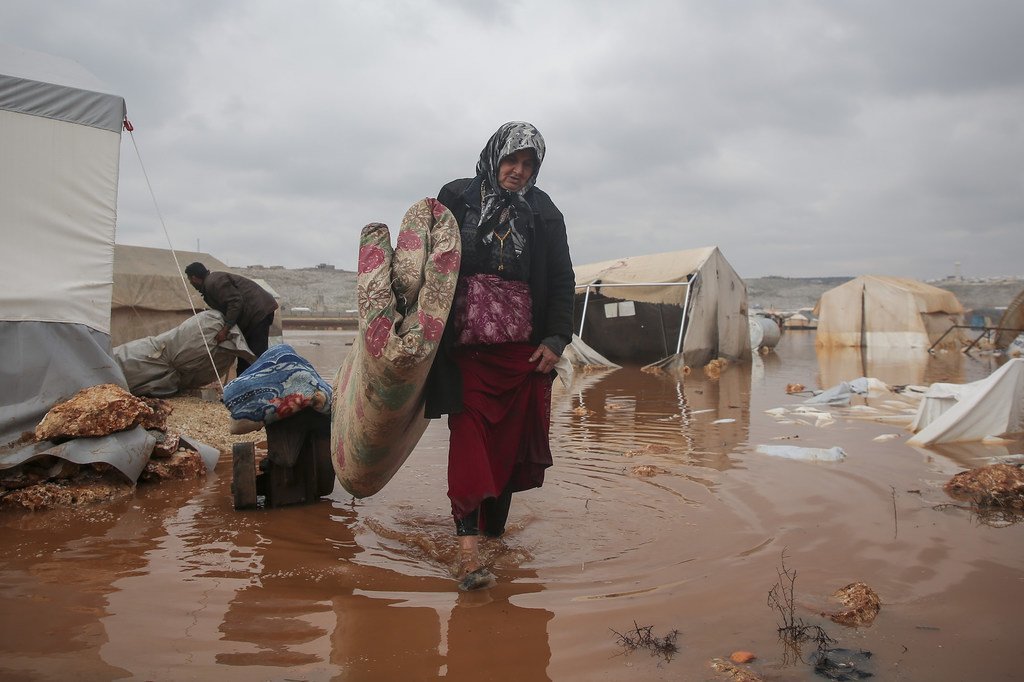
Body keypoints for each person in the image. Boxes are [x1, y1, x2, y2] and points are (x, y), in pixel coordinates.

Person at [426, 121, 575, 591]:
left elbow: (560, 278)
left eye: (529, 164)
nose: (518, 171)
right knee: (469, 437)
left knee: (508, 451)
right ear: (494, 157)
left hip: (521, 354)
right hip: (464, 350)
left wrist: (555, 340)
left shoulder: (544, 212)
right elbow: (427, 261)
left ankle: (493, 537)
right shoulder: (456, 196)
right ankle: (468, 550)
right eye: (512, 160)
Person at [184, 262, 279, 375]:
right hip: (252, 315)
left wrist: (225, 329)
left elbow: (235, 302)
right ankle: (244, 385)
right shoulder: (211, 283)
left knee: (255, 355)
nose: (190, 283)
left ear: (194, 278)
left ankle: (260, 386)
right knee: (245, 355)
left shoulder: (214, 282)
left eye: (190, 280)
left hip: (257, 312)